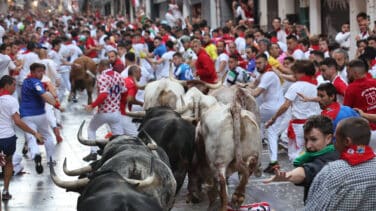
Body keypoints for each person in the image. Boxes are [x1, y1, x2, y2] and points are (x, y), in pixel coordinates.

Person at [305, 117, 376, 210]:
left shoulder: (332, 172)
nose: (334, 143)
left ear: (347, 141)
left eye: (336, 139)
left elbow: (314, 208)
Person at [264, 115, 339, 202]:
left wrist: (288, 176)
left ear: (328, 138)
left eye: (313, 140)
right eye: (306, 140)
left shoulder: (331, 158)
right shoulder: (320, 153)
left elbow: (307, 172)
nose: (308, 145)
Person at [266, 60, 321, 160]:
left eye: (296, 72)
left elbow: (285, 106)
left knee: (295, 157)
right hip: (314, 127)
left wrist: (273, 118)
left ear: (302, 73)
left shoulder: (296, 86)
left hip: (298, 127)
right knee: (310, 155)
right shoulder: (316, 87)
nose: (294, 74)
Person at [0, 75, 43, 200]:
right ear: (7, 85)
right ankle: (5, 191)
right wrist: (34, 133)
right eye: (13, 85)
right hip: (7, 137)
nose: (15, 88)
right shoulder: (11, 100)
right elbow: (18, 122)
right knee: (8, 163)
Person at [20, 63, 61, 174]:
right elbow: (43, 95)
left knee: (31, 137)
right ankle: (50, 160)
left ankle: (36, 154)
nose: (41, 74)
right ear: (32, 72)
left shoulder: (25, 82)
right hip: (39, 114)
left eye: (42, 71)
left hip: (25, 115)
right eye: (38, 71)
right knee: (47, 135)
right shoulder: (36, 82)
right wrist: (56, 104)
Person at [83, 59, 125, 161]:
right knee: (118, 136)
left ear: (102, 66)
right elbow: (124, 90)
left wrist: (92, 105)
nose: (97, 68)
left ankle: (93, 152)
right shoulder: (118, 75)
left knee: (91, 129)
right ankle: (120, 154)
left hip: (104, 112)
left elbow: (103, 95)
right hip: (116, 112)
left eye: (98, 67)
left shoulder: (102, 77)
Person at [251, 53, 285, 173]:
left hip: (271, 108)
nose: (258, 65)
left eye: (260, 63)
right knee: (271, 133)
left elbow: (256, 93)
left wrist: (240, 91)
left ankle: (255, 158)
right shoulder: (264, 74)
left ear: (266, 62)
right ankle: (273, 163)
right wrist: (243, 86)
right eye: (256, 63)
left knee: (250, 121)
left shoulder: (269, 74)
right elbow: (252, 85)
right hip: (277, 108)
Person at [344, 59, 376, 149]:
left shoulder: (351, 89)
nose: (347, 75)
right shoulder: (374, 82)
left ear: (354, 72)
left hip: (365, 132)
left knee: (365, 158)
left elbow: (347, 112)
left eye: (348, 72)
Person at [119, 65, 143, 136]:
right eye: (140, 72)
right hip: (123, 114)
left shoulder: (124, 80)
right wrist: (140, 103)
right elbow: (129, 99)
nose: (141, 75)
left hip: (115, 113)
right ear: (135, 73)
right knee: (136, 137)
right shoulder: (133, 84)